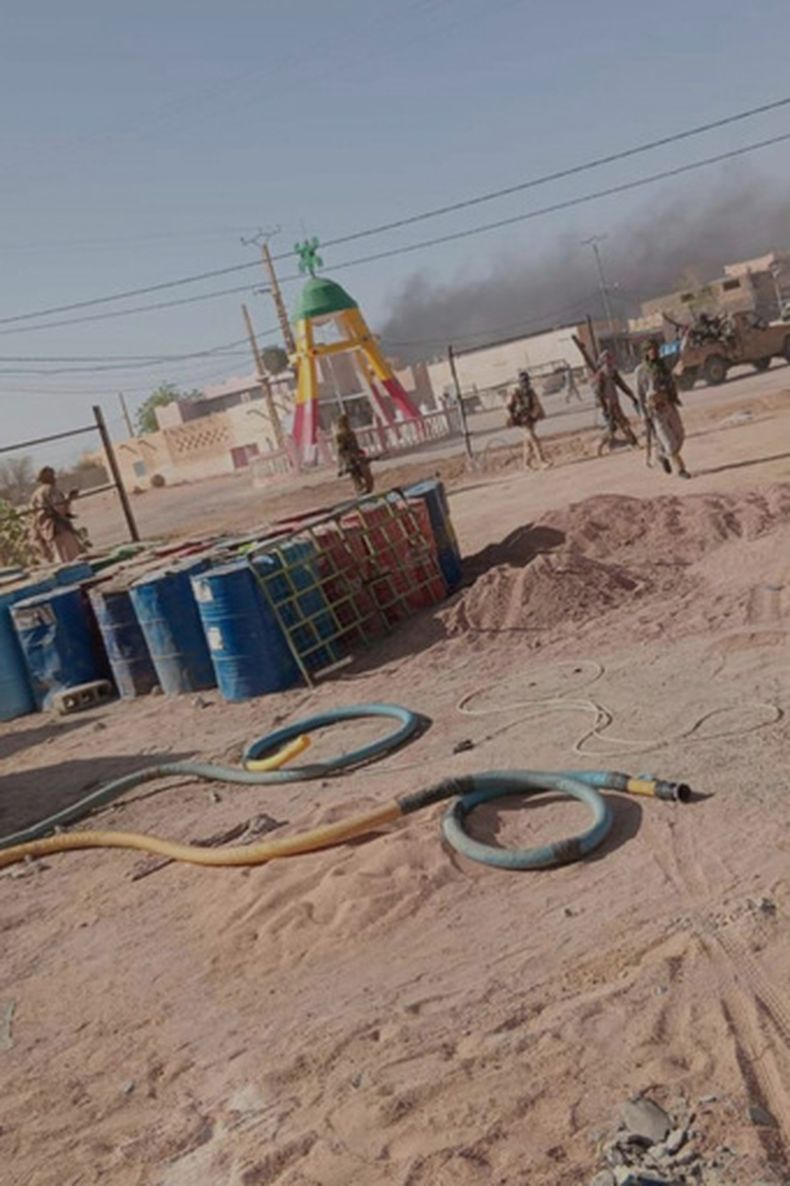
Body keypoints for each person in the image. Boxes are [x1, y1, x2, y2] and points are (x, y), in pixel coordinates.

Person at [635, 340, 690, 479]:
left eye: (655, 349)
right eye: (650, 349)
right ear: (645, 352)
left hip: (669, 405)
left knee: (680, 435)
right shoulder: (641, 371)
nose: (653, 352)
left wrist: (686, 339)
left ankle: (662, 454)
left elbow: (680, 354)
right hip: (655, 412)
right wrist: (643, 415)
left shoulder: (664, 364)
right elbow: (640, 394)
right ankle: (681, 470)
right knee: (670, 443)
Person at [29, 467, 87, 563]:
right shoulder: (51, 490)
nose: (54, 478)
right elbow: (59, 509)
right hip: (59, 528)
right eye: (52, 475)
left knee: (60, 558)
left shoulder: (35, 494)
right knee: (72, 559)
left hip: (47, 531)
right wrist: (69, 499)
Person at [592, 350, 640, 455]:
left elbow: (622, 385)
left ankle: (602, 444)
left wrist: (632, 396)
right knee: (619, 424)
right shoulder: (601, 375)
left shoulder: (613, 372)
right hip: (609, 405)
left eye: (610, 358)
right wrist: (604, 408)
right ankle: (633, 443)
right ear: (604, 361)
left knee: (613, 426)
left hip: (614, 403)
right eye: (608, 359)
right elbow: (599, 393)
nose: (610, 360)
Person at [507, 370, 549, 470]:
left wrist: (533, 415)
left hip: (529, 420)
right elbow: (507, 407)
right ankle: (541, 461)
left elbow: (536, 404)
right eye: (523, 381)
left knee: (528, 444)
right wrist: (512, 416)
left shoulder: (531, 392)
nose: (525, 383)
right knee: (534, 440)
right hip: (521, 421)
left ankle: (526, 464)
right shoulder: (515, 393)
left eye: (526, 380)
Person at [333, 413, 373, 495]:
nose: (347, 424)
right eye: (345, 422)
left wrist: (361, 454)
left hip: (357, 456)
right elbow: (339, 451)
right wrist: (340, 466)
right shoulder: (339, 436)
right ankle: (360, 490)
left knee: (367, 474)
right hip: (349, 459)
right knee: (355, 476)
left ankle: (366, 489)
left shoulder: (351, 433)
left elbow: (356, 446)